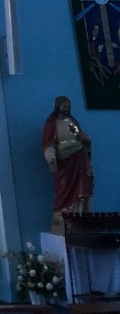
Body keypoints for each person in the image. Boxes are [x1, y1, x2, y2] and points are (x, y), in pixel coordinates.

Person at [41, 95, 93, 233]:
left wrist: (85, 140)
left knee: (82, 189)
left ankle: (81, 222)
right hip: (65, 163)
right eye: (64, 106)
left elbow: (79, 135)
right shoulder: (52, 123)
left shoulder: (72, 121)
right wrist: (51, 158)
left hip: (80, 159)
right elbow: (48, 144)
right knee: (64, 190)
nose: (67, 109)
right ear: (58, 106)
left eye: (68, 107)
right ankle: (63, 225)